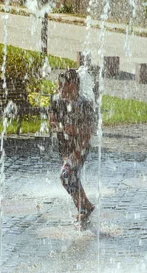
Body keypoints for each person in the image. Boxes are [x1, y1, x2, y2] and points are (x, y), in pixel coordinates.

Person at [49, 68, 98, 225]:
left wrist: (78, 149)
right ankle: (86, 206)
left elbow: (90, 130)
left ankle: (83, 209)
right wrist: (63, 127)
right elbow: (51, 123)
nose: (59, 89)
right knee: (72, 177)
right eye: (58, 85)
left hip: (79, 147)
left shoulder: (85, 105)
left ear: (73, 86)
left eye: (62, 85)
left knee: (66, 176)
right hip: (64, 147)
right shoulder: (56, 102)